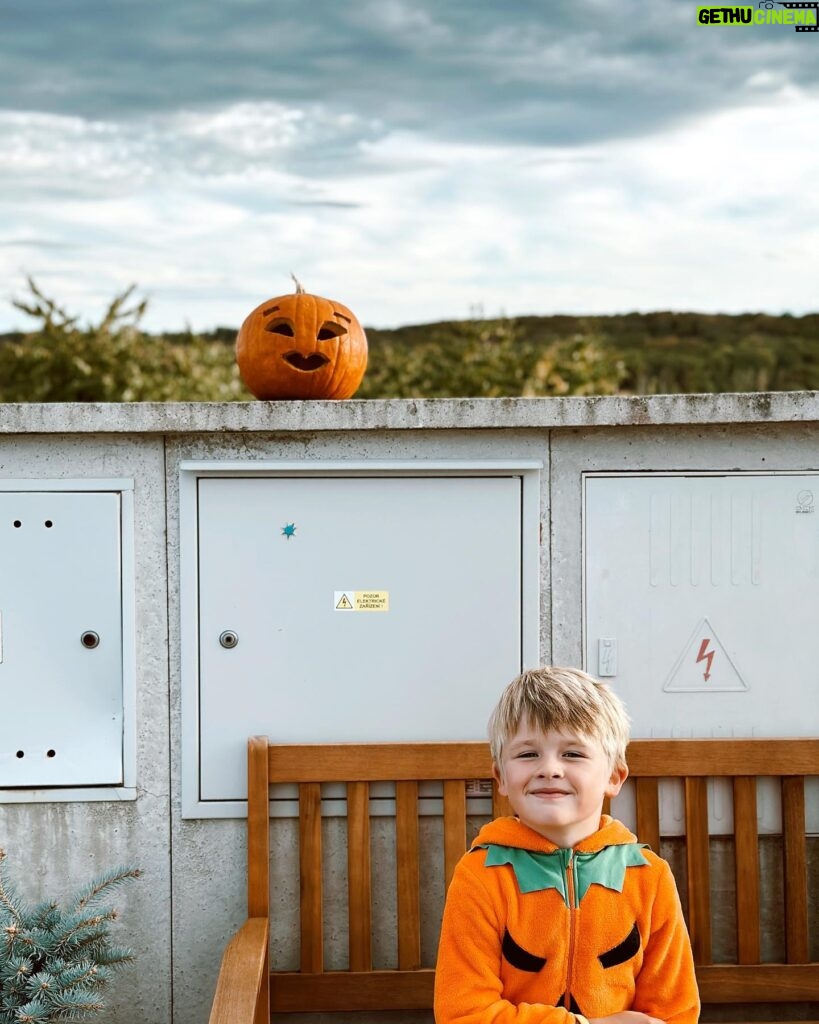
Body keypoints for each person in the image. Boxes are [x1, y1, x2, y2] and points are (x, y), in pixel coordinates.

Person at [434, 667, 700, 1024]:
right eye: (528, 755)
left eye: (573, 754)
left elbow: (674, 1011)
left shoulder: (648, 877)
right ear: (500, 777)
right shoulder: (481, 875)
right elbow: (463, 1014)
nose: (549, 769)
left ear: (613, 776)